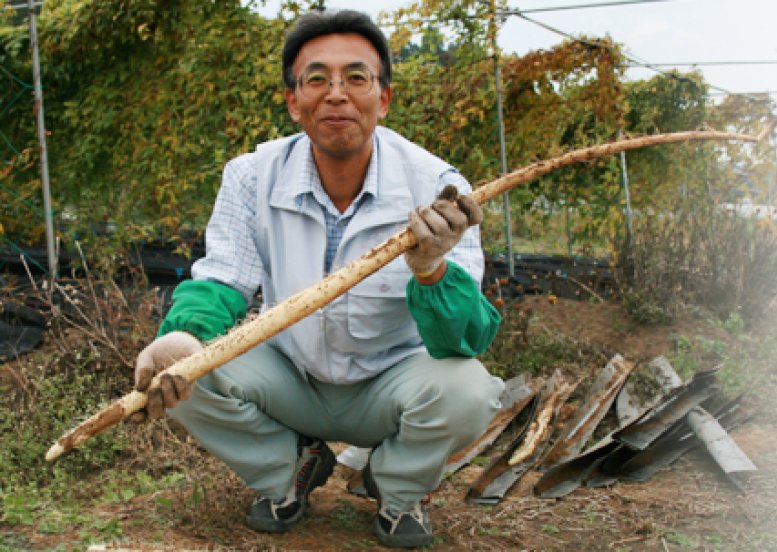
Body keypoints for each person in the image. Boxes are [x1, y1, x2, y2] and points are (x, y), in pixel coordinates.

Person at [131, 10, 505, 549]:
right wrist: (183, 335)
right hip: (292, 375)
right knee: (184, 369)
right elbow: (224, 279)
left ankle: (398, 489)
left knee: (468, 390)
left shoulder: (438, 187)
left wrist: (431, 269)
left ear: (384, 99)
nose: (337, 95)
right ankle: (290, 473)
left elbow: (466, 337)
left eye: (357, 78)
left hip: (390, 384)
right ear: (293, 101)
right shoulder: (252, 176)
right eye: (316, 79)